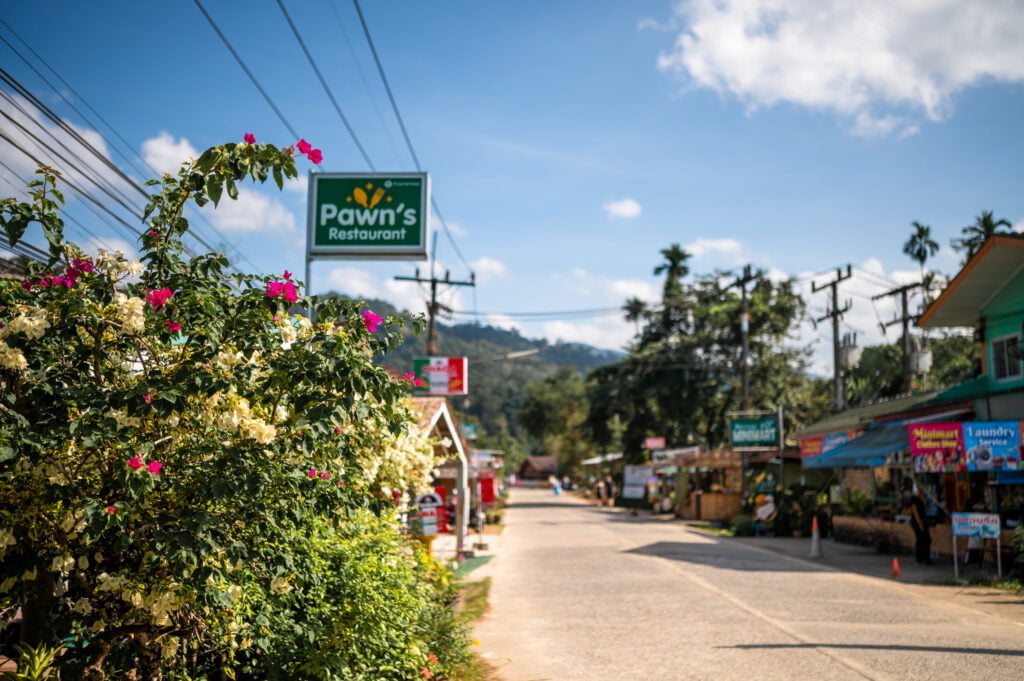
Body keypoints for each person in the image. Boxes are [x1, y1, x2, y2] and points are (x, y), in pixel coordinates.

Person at [909, 487, 933, 566]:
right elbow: (915, 512)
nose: (921, 492)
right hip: (918, 522)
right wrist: (920, 524)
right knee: (920, 539)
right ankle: (919, 559)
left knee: (927, 540)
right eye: (919, 491)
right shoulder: (914, 500)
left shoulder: (921, 500)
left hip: (923, 521)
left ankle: (926, 559)